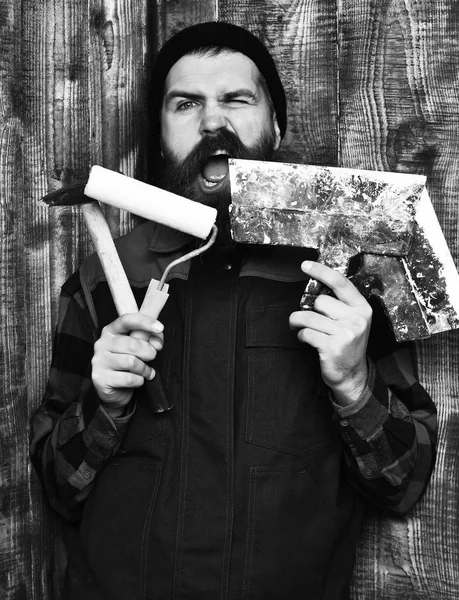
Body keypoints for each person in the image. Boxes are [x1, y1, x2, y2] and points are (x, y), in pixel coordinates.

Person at [30, 21, 437, 600]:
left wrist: (353, 383)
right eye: (186, 104)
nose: (213, 122)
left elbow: (405, 482)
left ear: (276, 124)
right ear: (160, 133)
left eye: (236, 100)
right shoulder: (109, 277)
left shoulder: (347, 278)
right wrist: (107, 404)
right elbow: (57, 487)